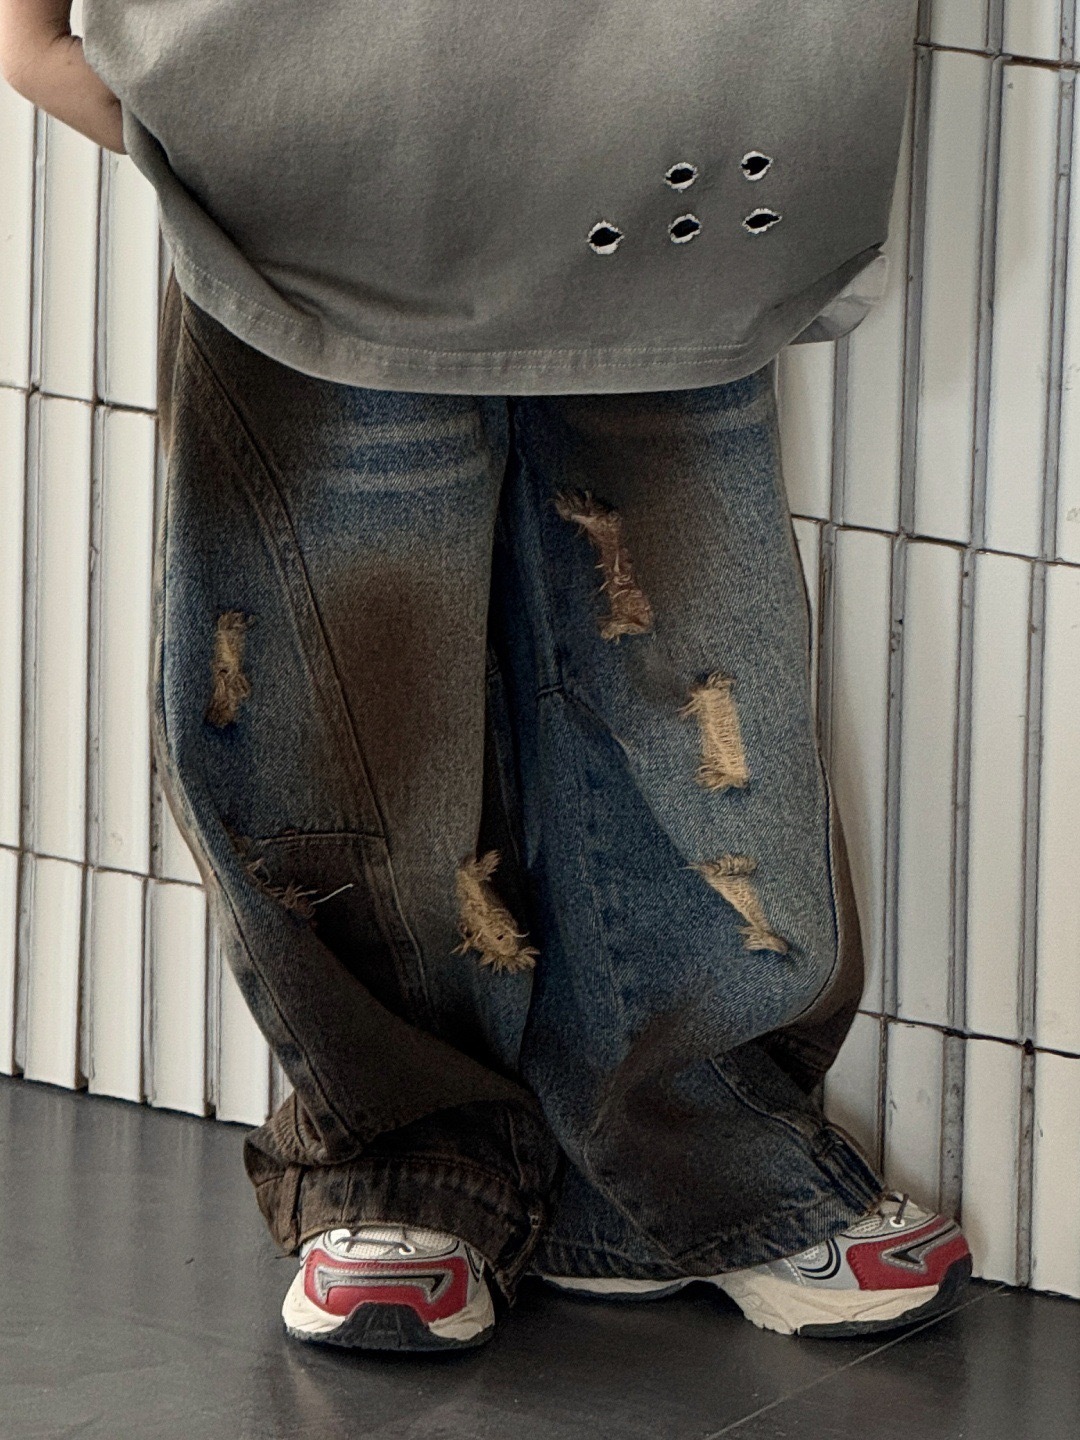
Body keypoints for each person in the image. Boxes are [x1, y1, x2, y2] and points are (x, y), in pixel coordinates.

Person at [1, 0, 973, 1353]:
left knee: (687, 660)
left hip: (682, 112)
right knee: (340, 690)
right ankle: (406, 1157)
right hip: (308, 133)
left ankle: (690, 1157)